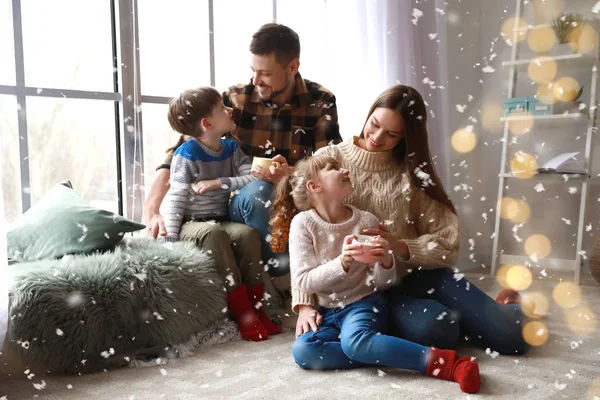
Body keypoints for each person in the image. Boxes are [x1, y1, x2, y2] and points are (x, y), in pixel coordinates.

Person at [289, 84, 529, 357]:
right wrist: (305, 304)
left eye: (391, 134)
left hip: (418, 278)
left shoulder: (411, 173)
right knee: (440, 331)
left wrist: (399, 246)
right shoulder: (329, 160)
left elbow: (448, 244)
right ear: (368, 115)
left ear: (406, 137)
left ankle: (507, 307)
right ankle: (464, 317)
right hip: (366, 293)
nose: (377, 138)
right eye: (374, 124)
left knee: (513, 338)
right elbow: (303, 232)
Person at [142, 23, 343, 277]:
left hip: (298, 198)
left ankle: (293, 273)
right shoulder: (236, 99)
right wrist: (152, 210)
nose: (255, 80)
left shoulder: (320, 100)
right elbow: (181, 150)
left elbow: (329, 164)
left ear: (293, 67)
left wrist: (289, 173)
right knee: (261, 190)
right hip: (243, 201)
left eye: (265, 74)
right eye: (253, 70)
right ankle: (284, 276)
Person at [269, 154, 481, 394]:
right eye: (334, 168)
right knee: (304, 351)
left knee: (355, 342)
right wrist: (344, 262)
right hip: (326, 312)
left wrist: (385, 259)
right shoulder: (303, 224)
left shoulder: (365, 221)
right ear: (314, 186)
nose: (345, 170)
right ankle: (380, 348)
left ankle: (446, 364)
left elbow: (382, 284)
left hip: (364, 304)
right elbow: (303, 281)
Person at [162, 86, 281, 341]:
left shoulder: (230, 148)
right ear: (207, 123)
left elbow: (251, 176)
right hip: (191, 223)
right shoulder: (186, 155)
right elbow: (175, 197)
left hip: (220, 216)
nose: (230, 111)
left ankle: (258, 310)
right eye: (222, 109)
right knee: (214, 233)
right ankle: (243, 314)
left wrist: (219, 184)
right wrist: (170, 238)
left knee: (248, 235)